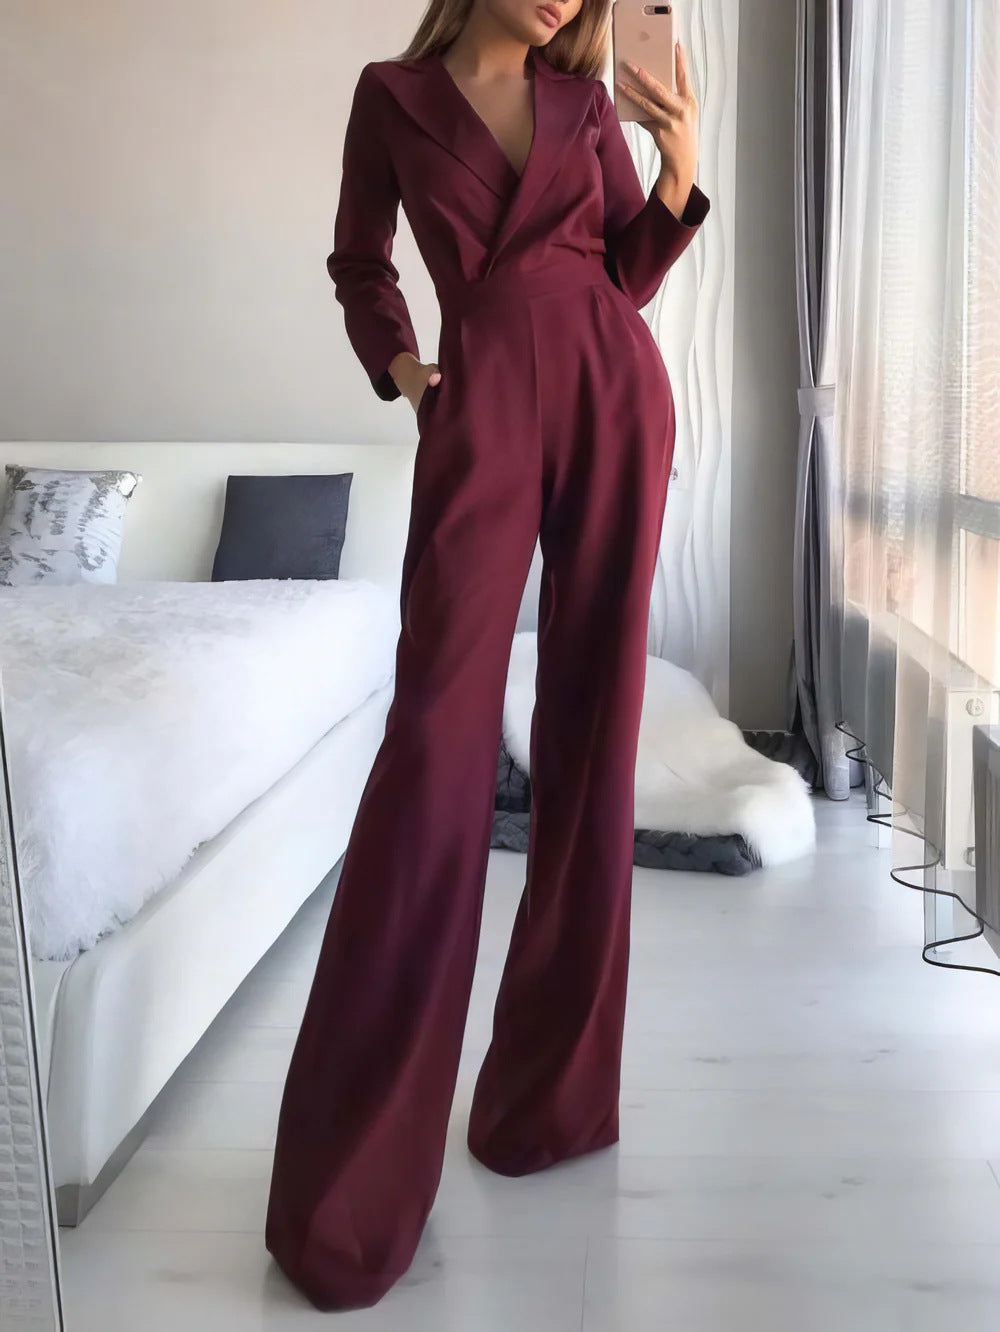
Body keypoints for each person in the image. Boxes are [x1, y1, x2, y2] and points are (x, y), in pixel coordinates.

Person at [265, 0, 709, 1312]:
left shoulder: (587, 106)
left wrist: (681, 161)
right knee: (436, 757)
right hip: (484, 406)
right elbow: (358, 259)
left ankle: (546, 1105)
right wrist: (409, 373)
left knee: (593, 737)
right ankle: (351, 1189)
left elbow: (624, 271)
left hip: (615, 394)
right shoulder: (392, 96)